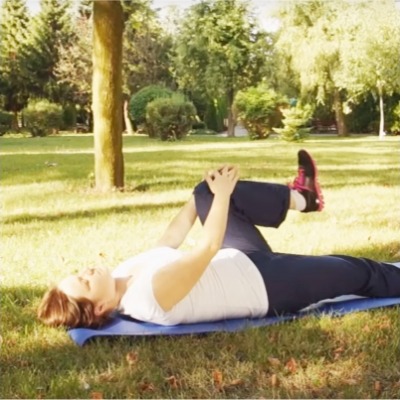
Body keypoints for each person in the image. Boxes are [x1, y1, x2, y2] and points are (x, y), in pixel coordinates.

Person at [38, 150, 400, 328]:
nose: (86, 271)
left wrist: (205, 194)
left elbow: (172, 237)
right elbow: (206, 247)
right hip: (268, 287)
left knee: (203, 192)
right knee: (358, 271)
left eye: (79, 271)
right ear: (99, 309)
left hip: (241, 259)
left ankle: (304, 198)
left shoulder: (123, 273)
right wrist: (223, 194)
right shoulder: (147, 298)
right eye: (85, 281)